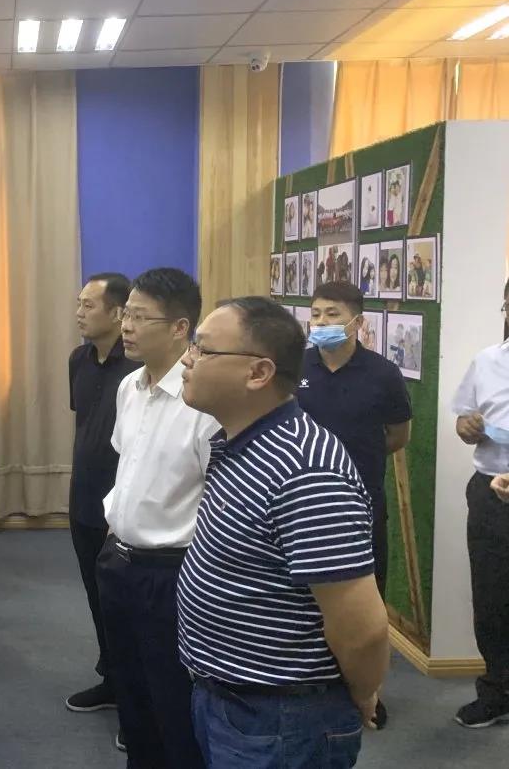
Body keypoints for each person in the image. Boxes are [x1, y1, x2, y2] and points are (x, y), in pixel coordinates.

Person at [177, 296, 389, 768]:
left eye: (203, 349)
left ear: (258, 373)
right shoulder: (240, 443)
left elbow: (363, 629)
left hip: (283, 716)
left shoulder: (305, 471)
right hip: (228, 698)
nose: (187, 359)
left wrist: (361, 693)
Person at [96, 268, 219, 768]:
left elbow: (218, 498)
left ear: (179, 328)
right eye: (125, 314)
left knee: (174, 702)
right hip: (118, 562)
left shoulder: (203, 402)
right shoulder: (129, 386)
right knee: (132, 699)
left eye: (139, 317)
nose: (126, 325)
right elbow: (128, 465)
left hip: (172, 572)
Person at [297, 282, 412, 729]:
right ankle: (312, 683)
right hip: (301, 504)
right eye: (316, 314)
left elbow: (397, 436)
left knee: (365, 599)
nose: (322, 322)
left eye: (332, 314)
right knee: (306, 599)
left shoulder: (383, 373)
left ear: (358, 322)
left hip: (361, 504)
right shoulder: (296, 366)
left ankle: (367, 690)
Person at [66, 274, 139, 721]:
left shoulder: (137, 370)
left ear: (117, 313)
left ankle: (135, 699)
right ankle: (112, 680)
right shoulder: (78, 359)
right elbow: (85, 425)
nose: (79, 313)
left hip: (123, 508)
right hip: (83, 500)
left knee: (126, 605)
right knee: (96, 597)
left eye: (88, 305)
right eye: (79, 304)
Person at [450, 281, 509, 728]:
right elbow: (464, 421)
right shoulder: (487, 361)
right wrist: (467, 427)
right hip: (491, 493)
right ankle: (497, 691)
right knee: (491, 597)